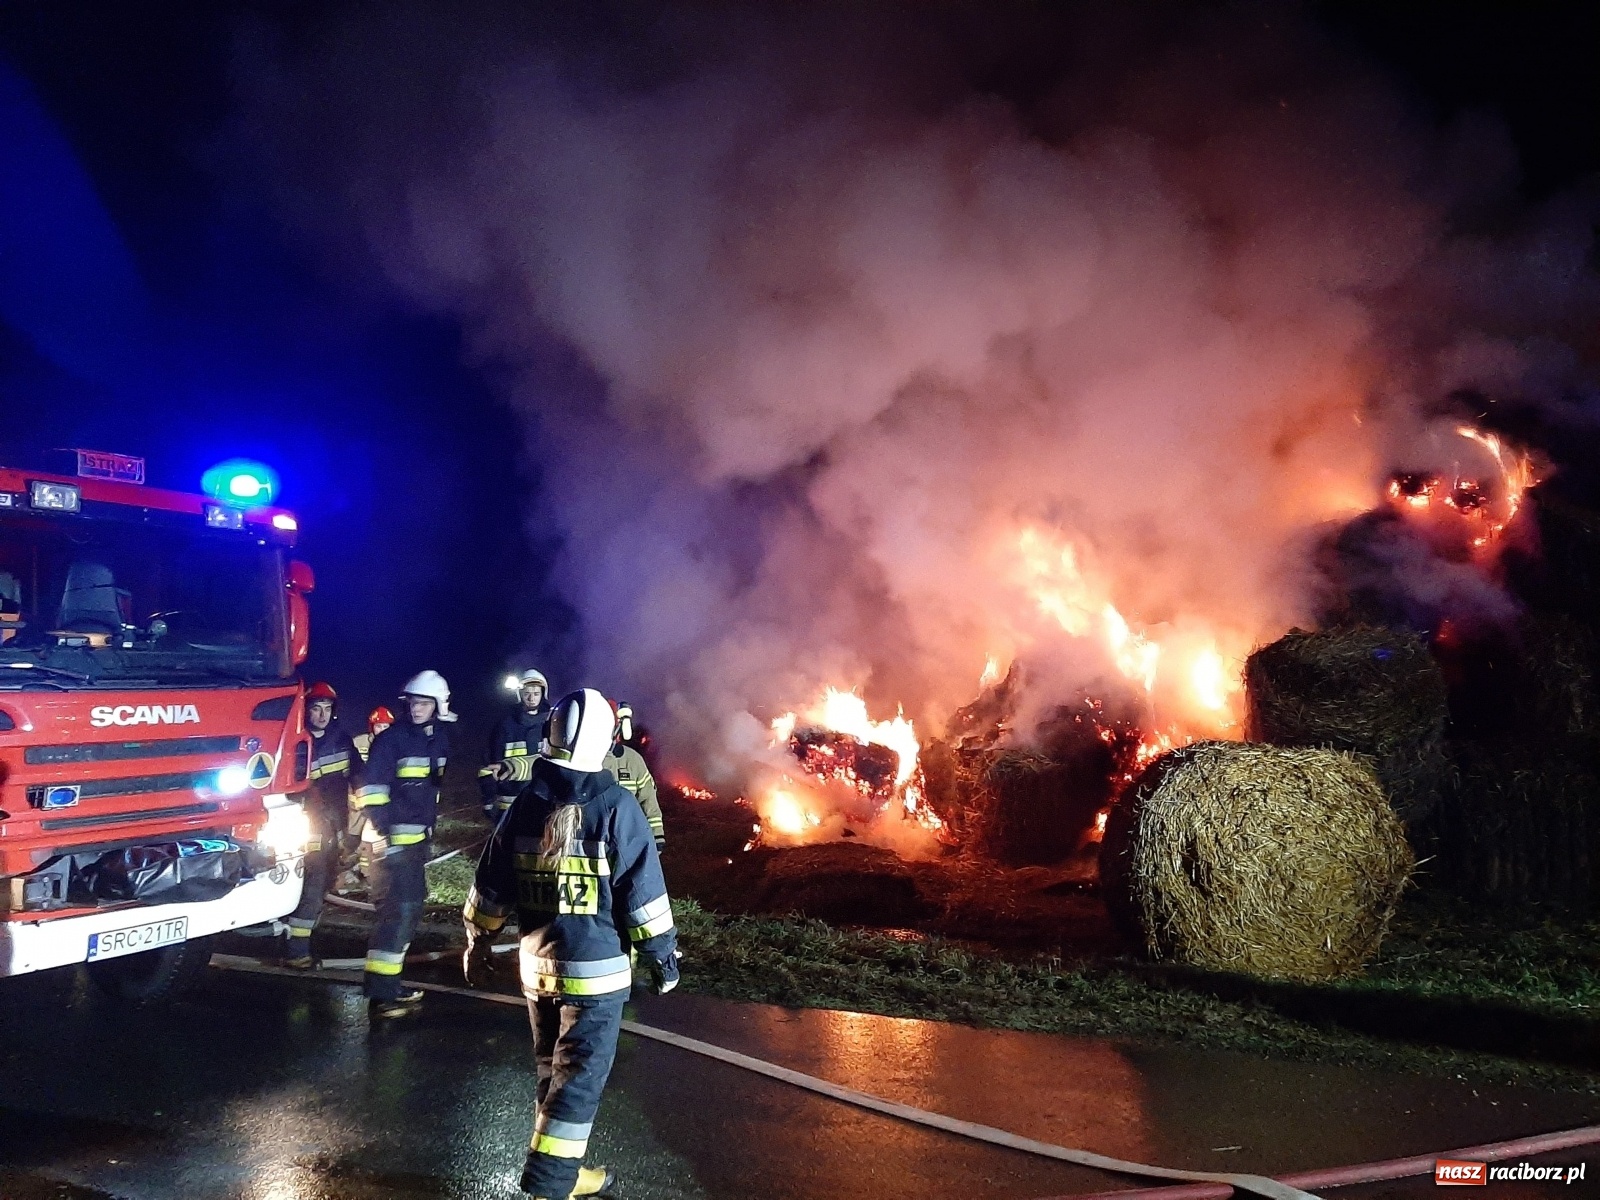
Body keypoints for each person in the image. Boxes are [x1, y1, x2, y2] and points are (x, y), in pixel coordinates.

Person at [463, 688, 678, 1198]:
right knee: (578, 1080)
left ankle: (565, 1166)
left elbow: (490, 885)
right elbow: (643, 899)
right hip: (597, 977)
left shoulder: (524, 806)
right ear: (605, 742)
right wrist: (663, 959)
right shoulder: (617, 808)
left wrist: (478, 942)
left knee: (552, 1071)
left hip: (538, 970)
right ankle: (551, 1182)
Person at [357, 670, 455, 1018]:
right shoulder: (391, 741)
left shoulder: (438, 741)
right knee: (398, 914)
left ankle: (388, 987)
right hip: (393, 845)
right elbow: (371, 792)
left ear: (437, 706)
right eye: (413, 701)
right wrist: (387, 836)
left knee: (406, 912)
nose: (416, 708)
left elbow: (433, 789)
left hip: (417, 843)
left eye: (424, 702)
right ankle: (382, 997)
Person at [282, 681, 362, 967]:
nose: (322, 715)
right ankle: (297, 951)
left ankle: (297, 933)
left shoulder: (342, 739)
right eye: (316, 709)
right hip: (306, 825)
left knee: (327, 879)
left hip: (335, 823)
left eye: (327, 709)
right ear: (306, 711)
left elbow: (358, 776)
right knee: (314, 883)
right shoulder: (296, 740)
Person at [479, 668, 551, 823]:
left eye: (536, 694)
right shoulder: (505, 725)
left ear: (542, 695)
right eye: (527, 693)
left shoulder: (551, 725)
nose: (531, 698)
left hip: (542, 803)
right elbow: (489, 762)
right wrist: (488, 799)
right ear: (520, 694)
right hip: (508, 805)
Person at [600, 702, 666, 848]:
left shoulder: (633, 760)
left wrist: (657, 835)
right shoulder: (587, 759)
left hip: (629, 840)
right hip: (596, 840)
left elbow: (648, 800)